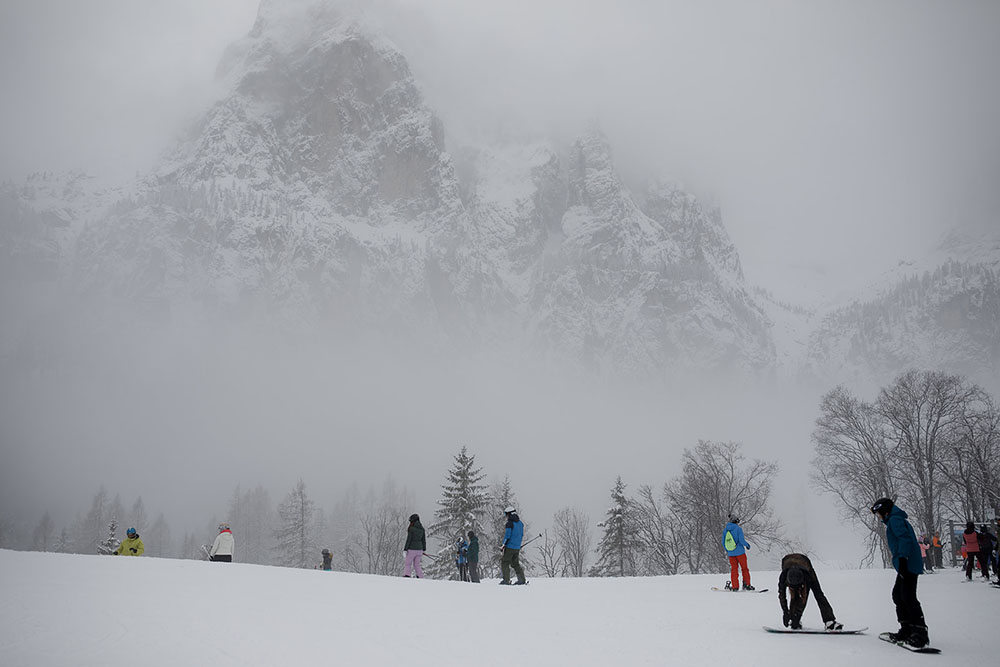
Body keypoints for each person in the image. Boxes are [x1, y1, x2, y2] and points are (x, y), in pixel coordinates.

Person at [871, 498, 929, 648]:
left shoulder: (895, 520)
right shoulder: (894, 520)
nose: (879, 517)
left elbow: (904, 539)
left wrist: (903, 559)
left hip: (908, 563)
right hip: (906, 563)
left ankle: (920, 634)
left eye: (879, 513)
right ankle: (907, 629)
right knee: (898, 595)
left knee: (908, 597)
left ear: (885, 510)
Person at [777, 553, 843, 631]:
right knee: (794, 596)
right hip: (788, 562)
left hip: (805, 565)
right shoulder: (783, 577)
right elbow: (782, 596)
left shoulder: (808, 577)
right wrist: (785, 612)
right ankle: (793, 619)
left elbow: (803, 598)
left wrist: (798, 615)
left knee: (819, 595)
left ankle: (830, 621)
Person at [722, 514, 753, 591]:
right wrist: (747, 545)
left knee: (734, 569)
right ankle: (747, 585)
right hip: (740, 553)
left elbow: (723, 542)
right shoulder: (738, 529)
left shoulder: (726, 530)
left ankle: (735, 586)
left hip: (731, 554)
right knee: (744, 569)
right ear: (736, 521)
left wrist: (728, 550)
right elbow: (741, 540)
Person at [500, 506, 527, 585]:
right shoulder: (520, 523)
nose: (506, 516)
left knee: (505, 562)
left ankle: (506, 580)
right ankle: (522, 580)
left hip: (510, 547)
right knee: (515, 564)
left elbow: (508, 535)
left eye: (506, 514)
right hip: (517, 547)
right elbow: (521, 535)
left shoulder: (510, 523)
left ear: (509, 514)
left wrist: (503, 545)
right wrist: (517, 544)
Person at [403, 513, 425, 578]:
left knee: (408, 563)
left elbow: (408, 540)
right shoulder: (422, 529)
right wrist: (423, 549)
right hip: (420, 550)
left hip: (411, 550)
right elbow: (423, 540)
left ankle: (407, 575)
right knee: (417, 565)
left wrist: (405, 549)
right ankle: (420, 576)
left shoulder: (411, 529)